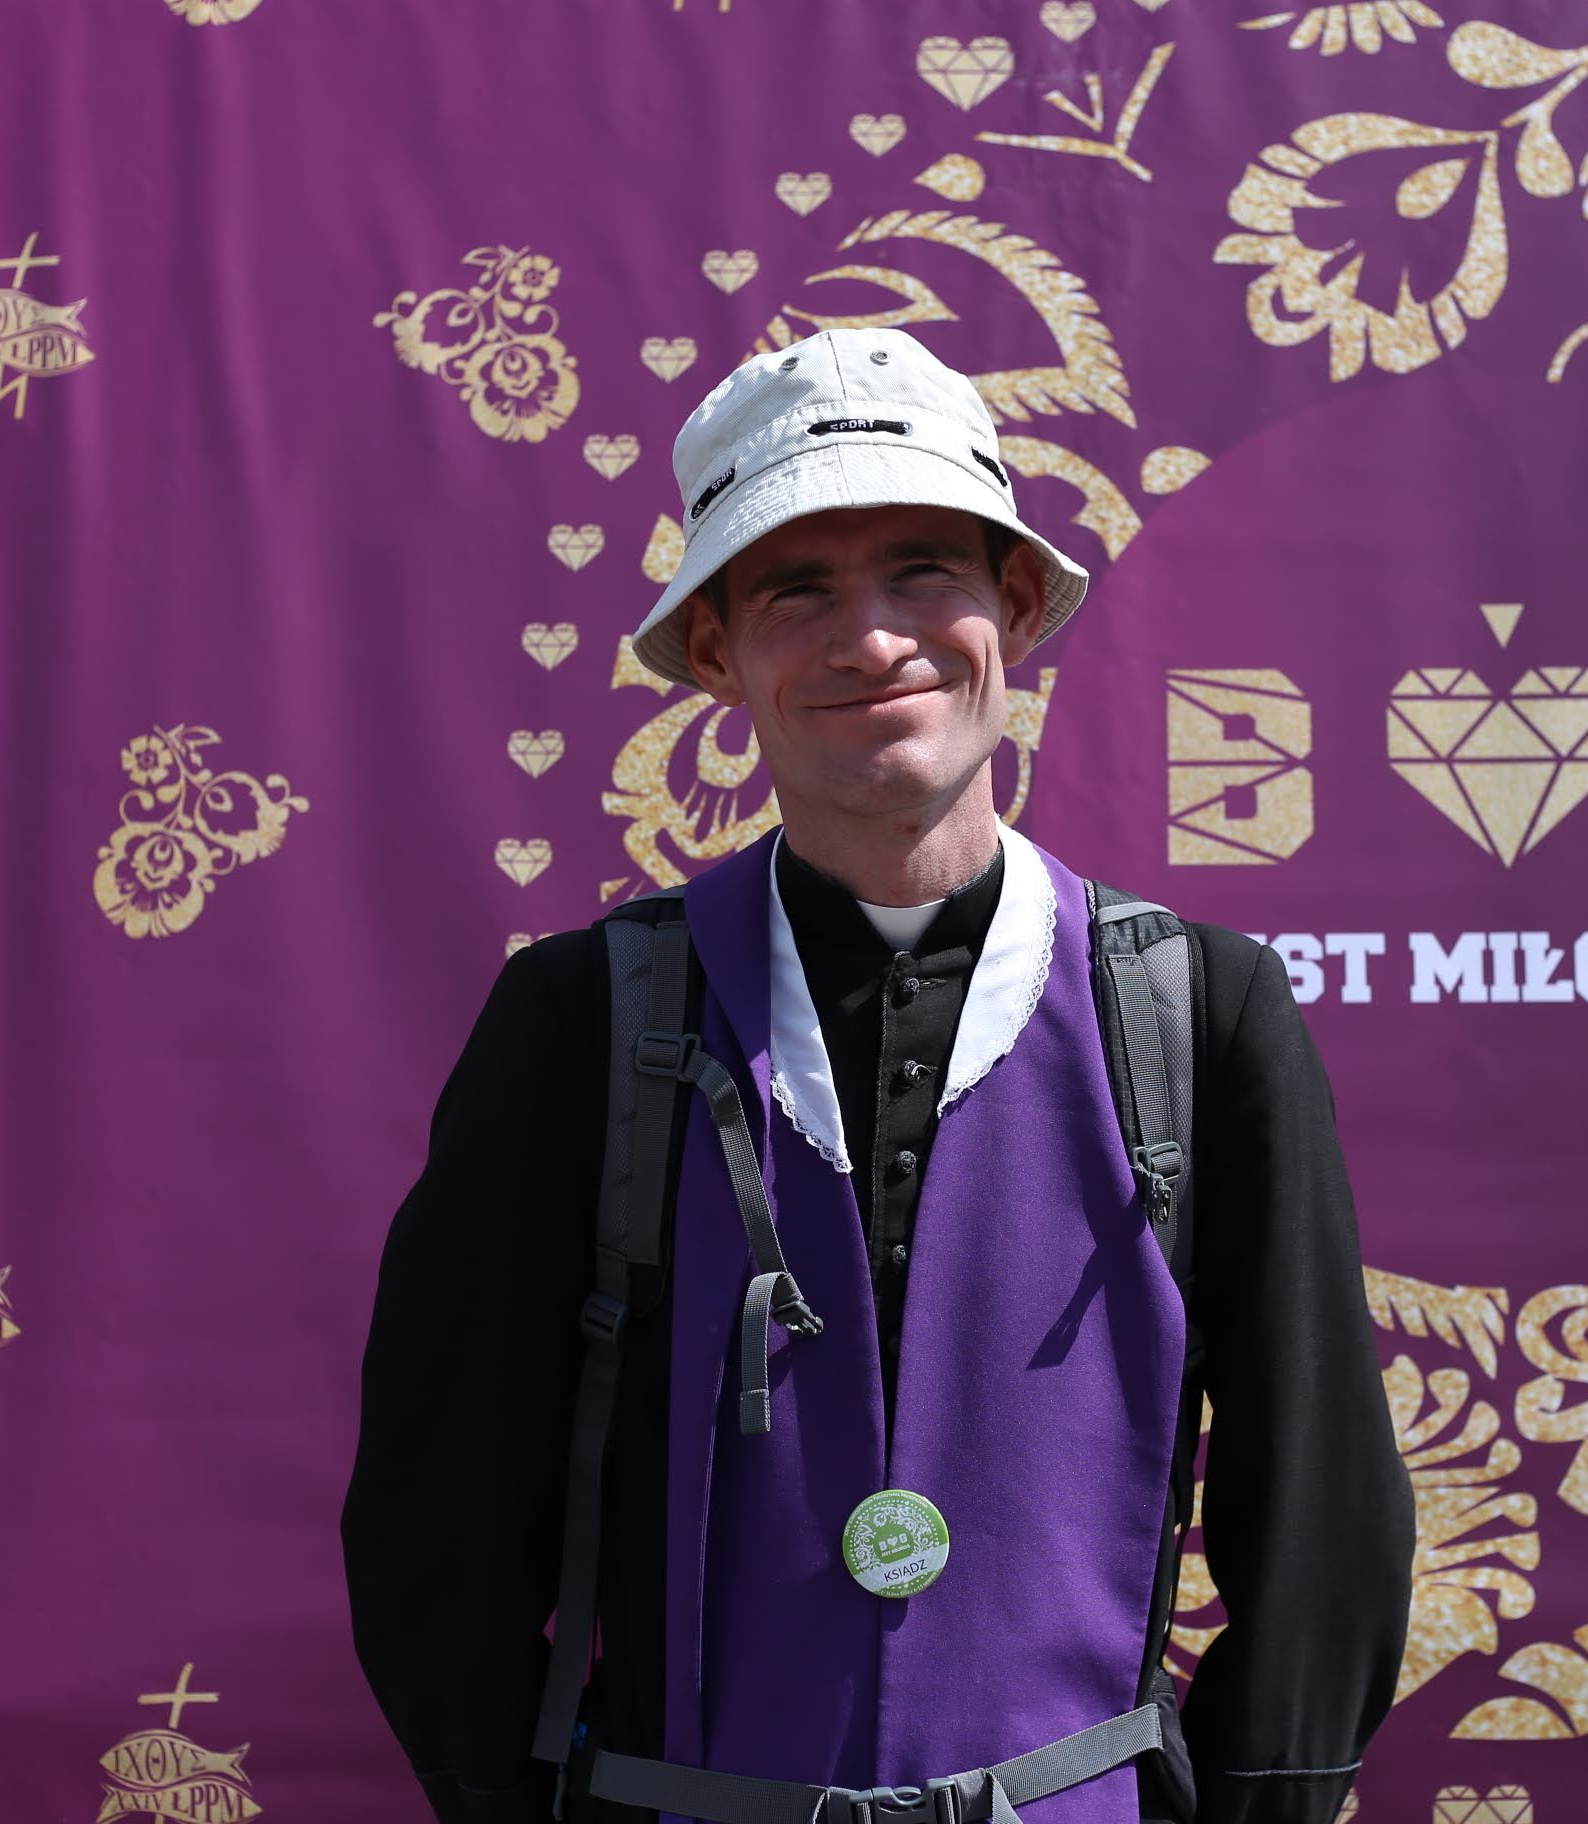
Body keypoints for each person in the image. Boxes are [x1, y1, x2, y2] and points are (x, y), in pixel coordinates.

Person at [341, 326, 1412, 1824]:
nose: (870, 638)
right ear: (714, 650)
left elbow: (1322, 1514)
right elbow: (440, 1523)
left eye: (923, 571)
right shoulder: (577, 1020)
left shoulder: (1201, 1011)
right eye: (796, 588)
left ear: (1015, 606)